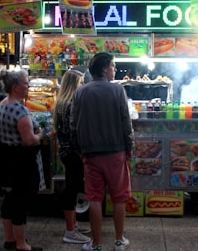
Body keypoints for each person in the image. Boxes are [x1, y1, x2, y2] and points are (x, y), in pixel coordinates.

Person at [70, 52, 134, 251]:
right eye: (113, 66)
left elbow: (73, 125)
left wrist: (79, 149)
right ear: (105, 69)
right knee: (119, 197)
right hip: (115, 152)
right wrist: (129, 147)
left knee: (94, 198)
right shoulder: (117, 91)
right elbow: (126, 122)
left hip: (90, 154)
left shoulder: (80, 92)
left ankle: (96, 244)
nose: (115, 69)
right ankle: (118, 241)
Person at [0, 69, 44, 251]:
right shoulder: (20, 110)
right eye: (25, 83)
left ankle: (9, 239)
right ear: (15, 87)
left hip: (6, 161)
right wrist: (40, 134)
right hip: (21, 164)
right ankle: (22, 244)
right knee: (20, 203)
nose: (28, 86)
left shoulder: (2, 104)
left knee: (9, 200)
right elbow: (29, 140)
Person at [53, 69, 91, 245]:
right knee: (72, 189)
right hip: (73, 153)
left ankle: (74, 225)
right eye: (81, 82)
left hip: (66, 152)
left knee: (73, 187)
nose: (83, 85)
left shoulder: (61, 102)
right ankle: (70, 231)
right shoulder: (70, 105)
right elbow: (74, 133)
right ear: (74, 84)